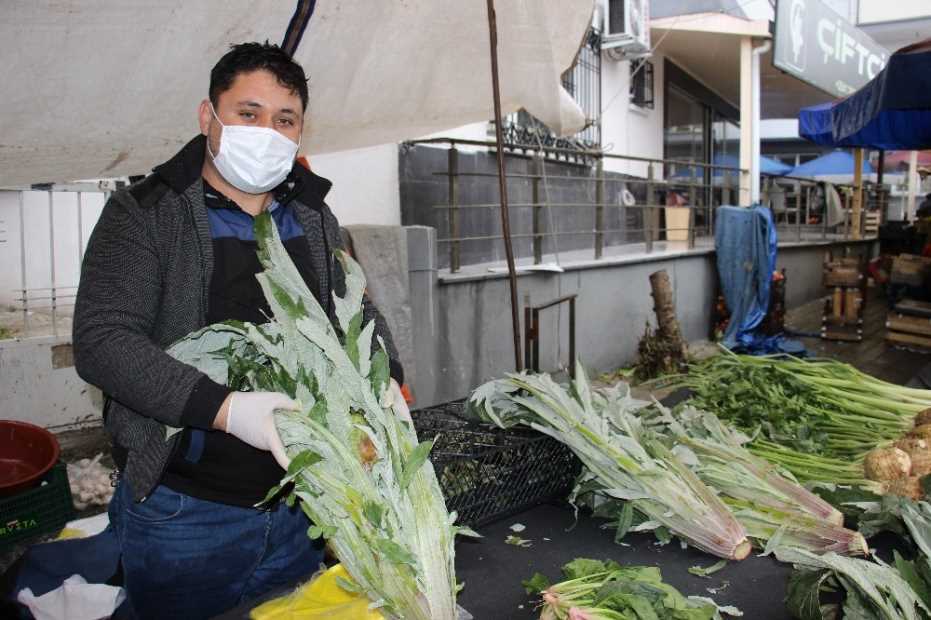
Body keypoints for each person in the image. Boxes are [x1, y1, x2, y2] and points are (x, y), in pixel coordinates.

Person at [73, 42, 404, 619]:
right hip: (186, 510)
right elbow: (103, 340)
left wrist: (389, 380)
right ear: (209, 117)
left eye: (285, 120)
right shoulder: (146, 214)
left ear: (302, 130)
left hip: (306, 499)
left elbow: (354, 307)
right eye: (248, 114)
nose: (267, 132)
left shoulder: (311, 215)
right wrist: (228, 410)